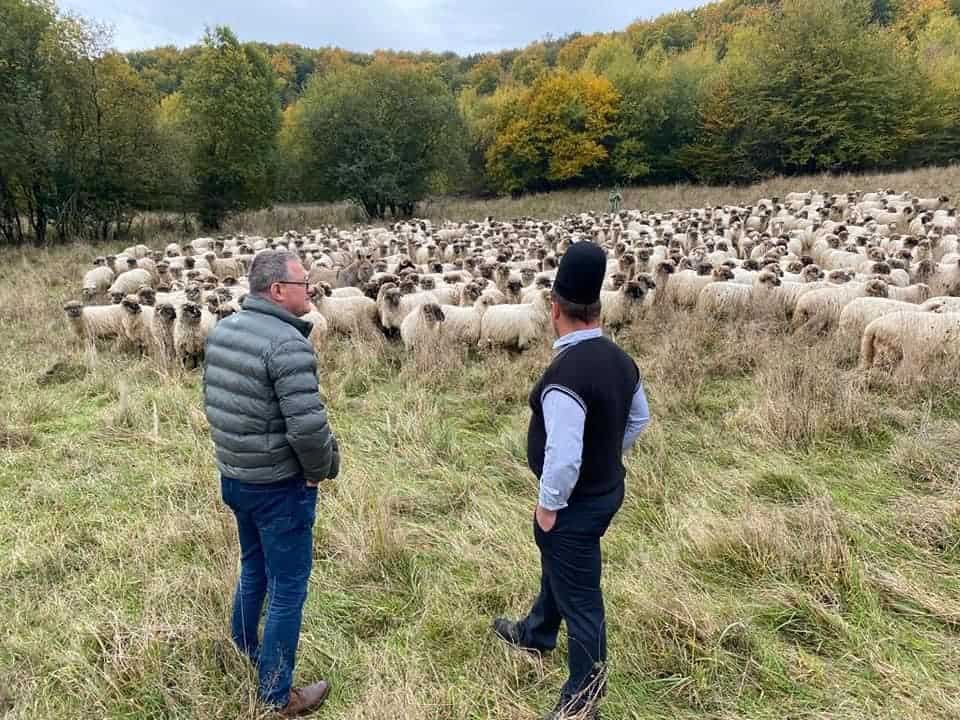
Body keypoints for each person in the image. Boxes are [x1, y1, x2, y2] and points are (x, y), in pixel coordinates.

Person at [493, 241, 650, 720]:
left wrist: (549, 504)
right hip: (607, 491)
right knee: (559, 562)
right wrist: (607, 455)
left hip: (575, 503)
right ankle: (537, 632)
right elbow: (639, 419)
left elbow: (562, 456)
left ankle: (583, 701)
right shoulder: (620, 359)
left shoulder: (567, 373)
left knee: (582, 599)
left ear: (555, 309)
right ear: (598, 310)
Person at [203, 249, 340, 717]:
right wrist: (322, 468)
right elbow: (307, 428)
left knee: (253, 566)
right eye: (304, 284)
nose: (312, 291)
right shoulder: (287, 344)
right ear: (278, 290)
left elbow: (219, 404)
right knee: (288, 587)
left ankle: (243, 649)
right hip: (278, 486)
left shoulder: (223, 331)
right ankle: (279, 695)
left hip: (236, 476)